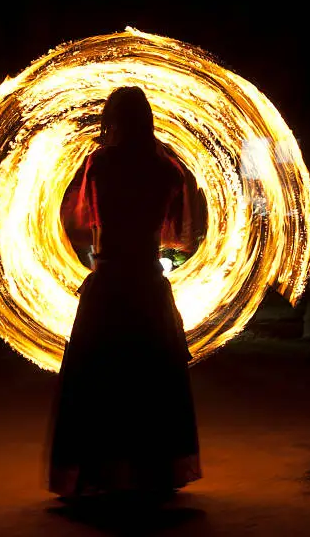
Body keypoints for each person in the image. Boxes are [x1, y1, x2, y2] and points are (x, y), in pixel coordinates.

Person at [47, 86, 201, 504]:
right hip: (149, 285)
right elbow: (179, 238)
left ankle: (99, 471)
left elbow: (81, 226)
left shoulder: (99, 165)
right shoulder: (165, 168)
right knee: (149, 377)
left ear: (111, 121)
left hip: (110, 283)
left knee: (102, 376)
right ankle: (151, 472)